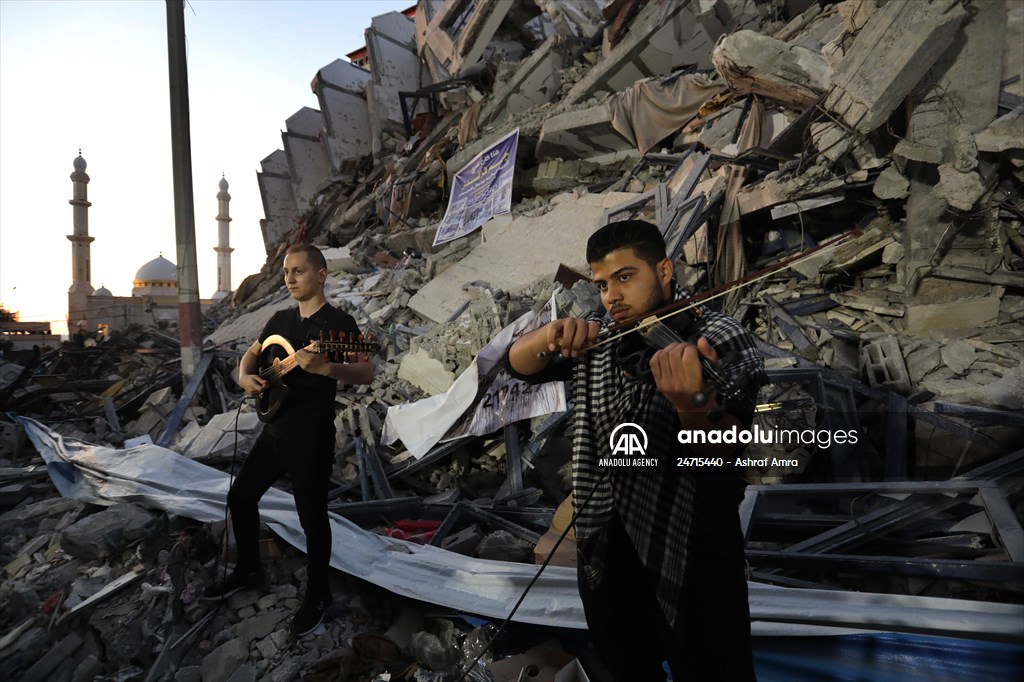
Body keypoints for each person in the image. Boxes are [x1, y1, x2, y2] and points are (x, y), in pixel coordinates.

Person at [504, 220, 763, 681]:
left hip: (692, 547)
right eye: (602, 284)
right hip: (607, 543)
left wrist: (693, 406)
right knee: (623, 669)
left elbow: (728, 453)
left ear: (664, 270)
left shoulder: (718, 336)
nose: (611, 297)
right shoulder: (601, 336)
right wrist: (549, 337)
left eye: (625, 277)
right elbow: (517, 366)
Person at [203, 243, 374, 637]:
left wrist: (328, 367)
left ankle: (317, 596)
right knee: (240, 497)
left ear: (321, 275)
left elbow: (366, 371)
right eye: (286, 272)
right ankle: (249, 569)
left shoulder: (339, 325)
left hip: (311, 437)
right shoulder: (279, 319)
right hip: (274, 430)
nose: (290, 278)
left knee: (312, 519)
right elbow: (251, 355)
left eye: (298, 271)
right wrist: (244, 377)